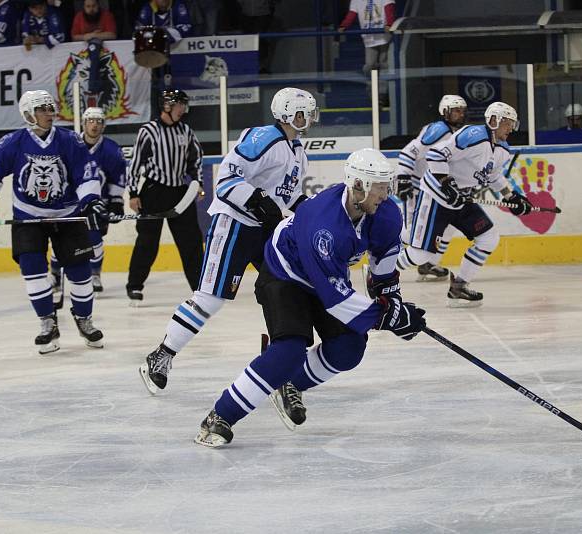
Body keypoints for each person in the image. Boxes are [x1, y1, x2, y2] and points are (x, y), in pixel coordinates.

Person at [193, 148, 427, 447]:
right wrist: (386, 317)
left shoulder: (385, 213)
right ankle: (219, 416)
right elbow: (336, 299)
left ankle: (291, 383)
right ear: (358, 186)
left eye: (387, 185)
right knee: (288, 350)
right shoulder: (324, 225)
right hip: (283, 274)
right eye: (380, 187)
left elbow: (383, 265)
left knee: (349, 347)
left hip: (325, 278)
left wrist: (392, 303)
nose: (386, 194)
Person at [138, 87, 317, 395]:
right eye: (304, 112)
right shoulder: (264, 138)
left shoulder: (297, 151)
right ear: (287, 113)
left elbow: (291, 197)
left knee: (287, 291)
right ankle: (162, 354)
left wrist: (315, 213)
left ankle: (276, 359)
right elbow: (226, 178)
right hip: (235, 224)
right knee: (210, 298)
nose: (310, 118)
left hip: (265, 231)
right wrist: (257, 197)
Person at [0, 90, 106, 354]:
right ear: (28, 114)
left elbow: (85, 172)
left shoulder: (69, 140)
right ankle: (47, 323)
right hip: (28, 216)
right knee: (32, 270)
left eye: (50, 108)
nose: (49, 114)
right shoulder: (13, 142)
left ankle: (83, 319)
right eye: (42, 109)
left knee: (80, 271)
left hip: (66, 215)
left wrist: (90, 200)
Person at [395, 101, 533, 308]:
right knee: (421, 254)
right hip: (437, 197)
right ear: (494, 121)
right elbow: (435, 154)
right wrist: (446, 183)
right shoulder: (472, 135)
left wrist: (511, 196)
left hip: (461, 200)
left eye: (513, 123)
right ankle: (380, 272)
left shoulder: (503, 148)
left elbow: (494, 175)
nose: (511, 128)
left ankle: (459, 286)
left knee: (488, 237)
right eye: (508, 123)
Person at [126, 89, 204, 305]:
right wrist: (133, 193)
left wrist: (198, 183)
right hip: (153, 192)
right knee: (147, 243)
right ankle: (134, 285)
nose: (183, 110)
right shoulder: (148, 131)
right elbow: (136, 163)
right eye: (180, 105)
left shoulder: (186, 131)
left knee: (192, 242)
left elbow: (196, 159)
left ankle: (199, 288)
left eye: (184, 106)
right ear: (167, 106)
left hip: (179, 191)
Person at [51, 107, 127, 297]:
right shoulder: (71, 145)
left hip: (95, 204)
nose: (94, 125)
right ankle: (54, 273)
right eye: (91, 121)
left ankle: (95, 274)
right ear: (84, 123)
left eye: (99, 121)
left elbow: (117, 177)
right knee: (62, 240)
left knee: (94, 239)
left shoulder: (111, 150)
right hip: (70, 203)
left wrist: (116, 202)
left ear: (103, 125)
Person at [396, 94, 467, 282]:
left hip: (434, 190)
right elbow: (409, 151)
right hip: (416, 187)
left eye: (462, 110)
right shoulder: (438, 129)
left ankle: (429, 262)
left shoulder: (456, 134)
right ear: (445, 112)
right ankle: (382, 260)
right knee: (410, 230)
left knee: (447, 226)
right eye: (456, 110)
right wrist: (403, 178)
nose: (460, 114)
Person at [338, 0, 396, 107]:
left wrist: (389, 23)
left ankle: (383, 94)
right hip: (369, 38)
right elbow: (352, 13)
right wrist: (344, 25)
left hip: (384, 36)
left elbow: (389, 8)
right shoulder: (356, 1)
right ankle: (372, 92)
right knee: (370, 65)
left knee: (384, 64)